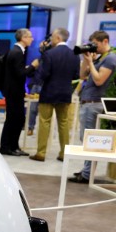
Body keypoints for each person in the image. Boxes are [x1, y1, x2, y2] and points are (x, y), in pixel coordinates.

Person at [69, 30, 116, 183]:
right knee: (85, 139)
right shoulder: (99, 58)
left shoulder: (110, 59)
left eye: (95, 44)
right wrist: (86, 59)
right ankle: (86, 171)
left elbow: (99, 80)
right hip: (88, 102)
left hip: (95, 103)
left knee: (90, 140)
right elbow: (82, 76)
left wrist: (91, 63)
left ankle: (87, 174)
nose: (93, 47)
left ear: (105, 41)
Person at [29, 28, 77, 162]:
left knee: (44, 122)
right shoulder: (74, 54)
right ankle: (64, 154)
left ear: (57, 38)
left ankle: (41, 153)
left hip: (48, 93)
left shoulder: (49, 54)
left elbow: (44, 74)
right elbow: (76, 75)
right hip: (65, 94)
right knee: (63, 123)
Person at [0, 28, 37, 156]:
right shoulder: (17, 52)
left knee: (15, 119)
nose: (32, 39)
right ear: (23, 38)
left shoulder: (15, 51)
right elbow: (20, 74)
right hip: (14, 93)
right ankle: (8, 147)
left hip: (14, 91)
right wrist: (33, 66)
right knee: (15, 119)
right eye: (30, 36)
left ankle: (12, 146)